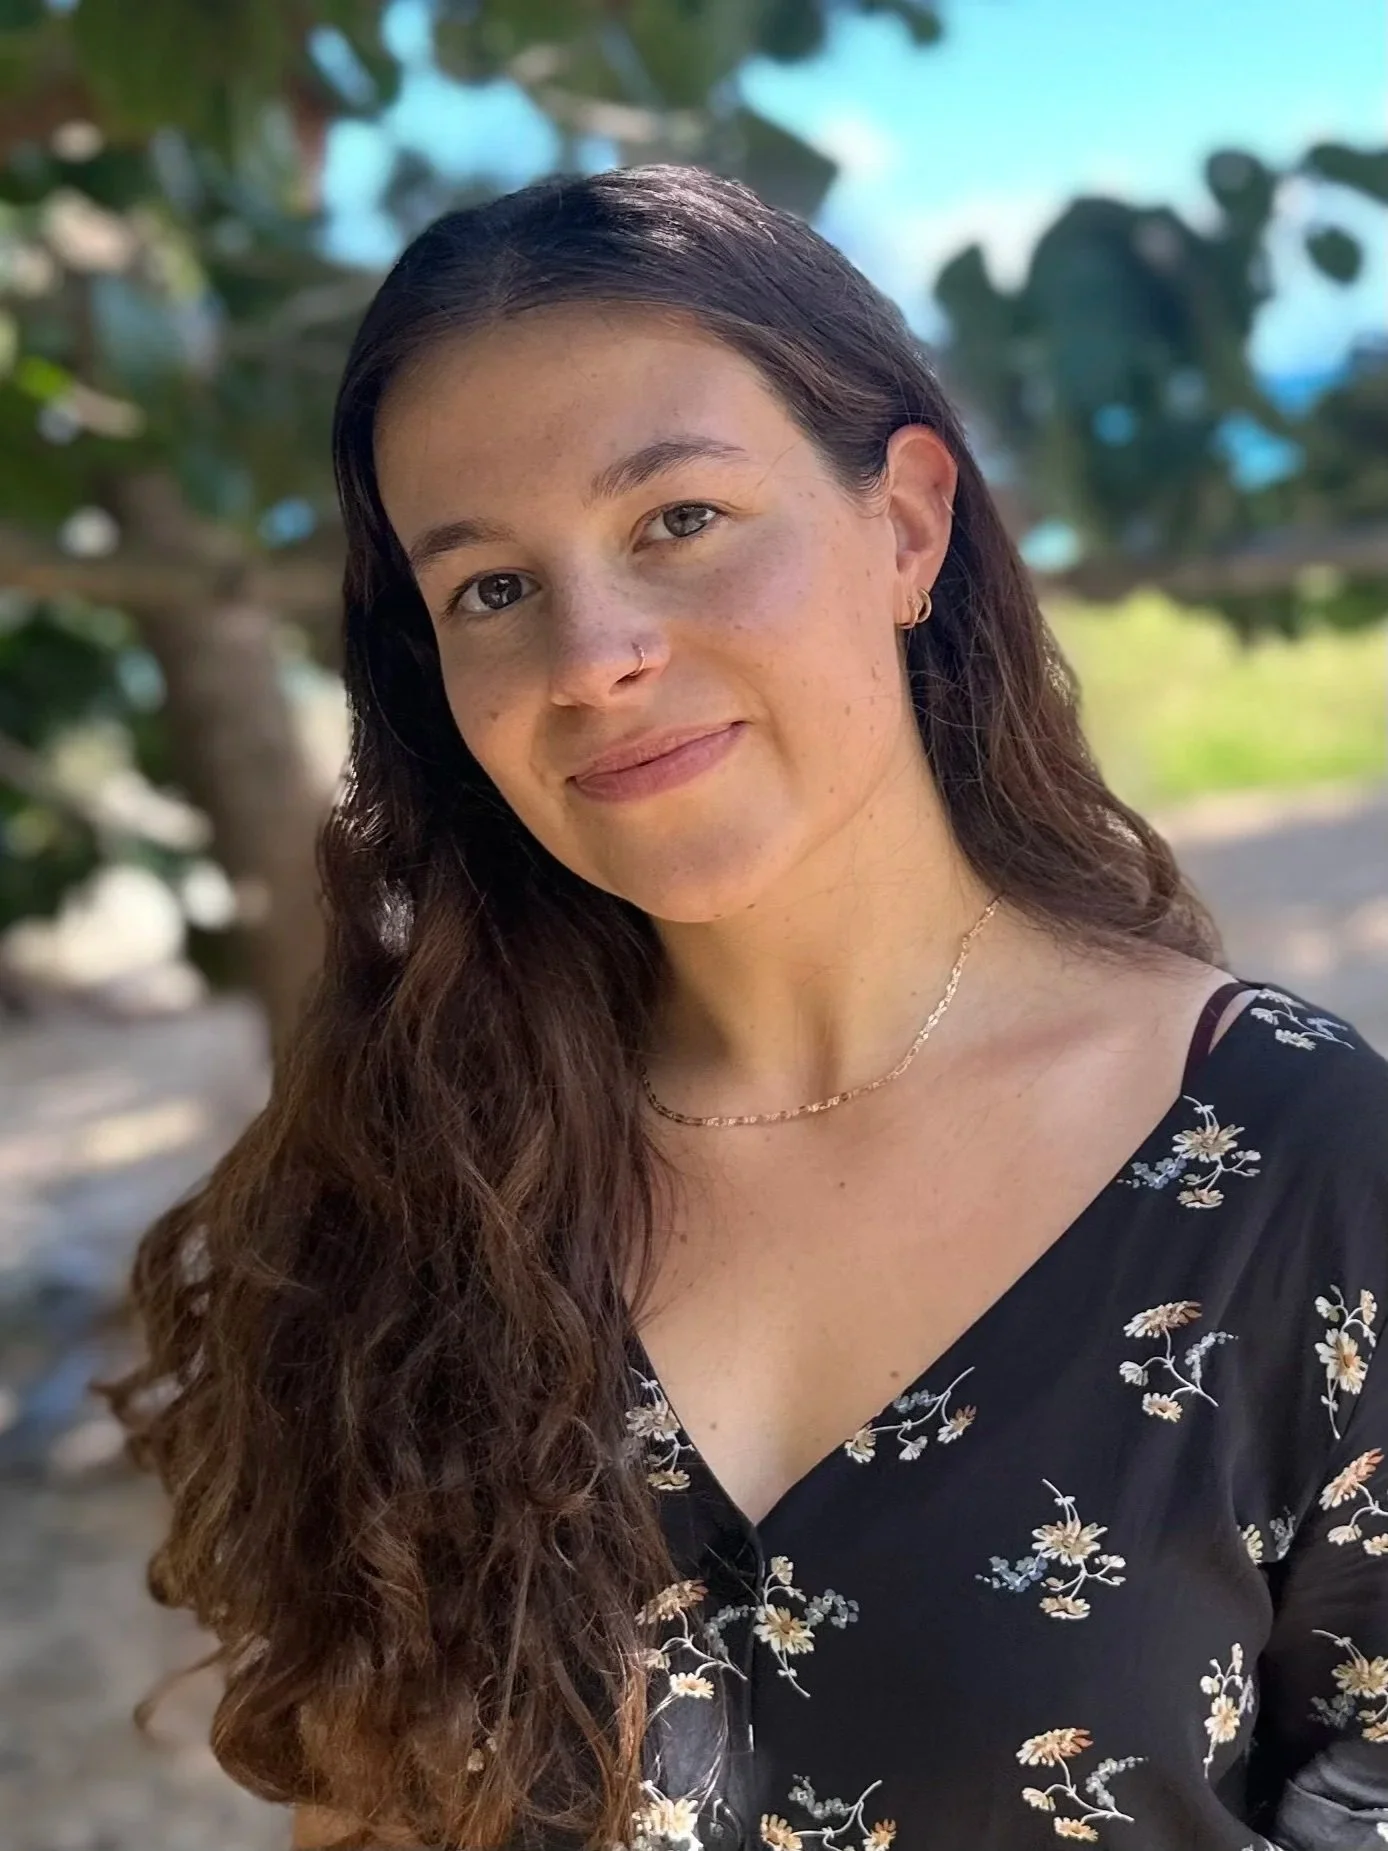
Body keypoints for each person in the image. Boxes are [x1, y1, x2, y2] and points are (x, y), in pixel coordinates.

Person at [102, 164, 1388, 1851]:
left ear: (907, 525)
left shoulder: (1301, 1171)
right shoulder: (408, 1180)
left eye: (678, 520)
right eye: (491, 587)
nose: (592, 653)